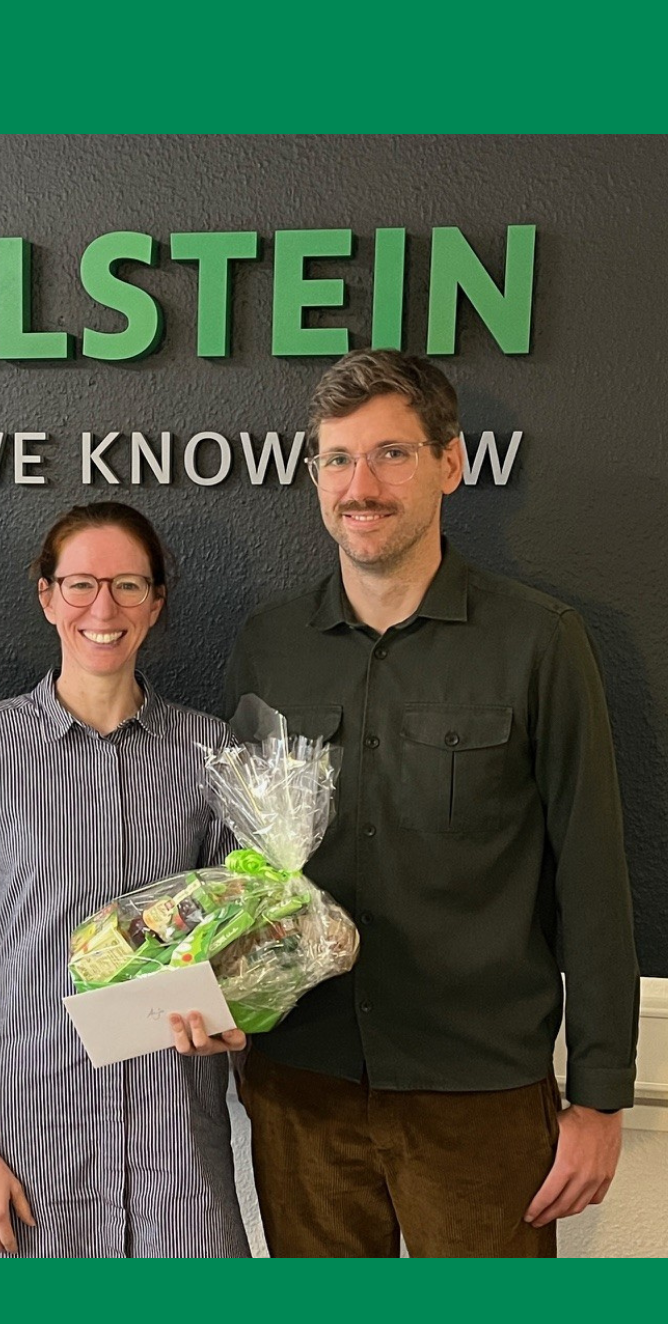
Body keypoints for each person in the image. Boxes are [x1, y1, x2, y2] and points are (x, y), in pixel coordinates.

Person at [223, 349, 640, 1258]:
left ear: (451, 464)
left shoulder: (539, 642)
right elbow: (245, 862)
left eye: (390, 455)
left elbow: (593, 877)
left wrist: (602, 1095)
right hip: (302, 1087)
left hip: (478, 1093)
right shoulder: (269, 646)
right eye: (337, 459)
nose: (359, 486)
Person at [0, 501, 250, 1258]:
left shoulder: (211, 752)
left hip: (173, 1147)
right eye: (80, 585)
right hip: (25, 1146)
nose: (104, 609)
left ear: (155, 604)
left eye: (128, 586)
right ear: (47, 596)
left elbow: (237, 937)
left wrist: (237, 1014)